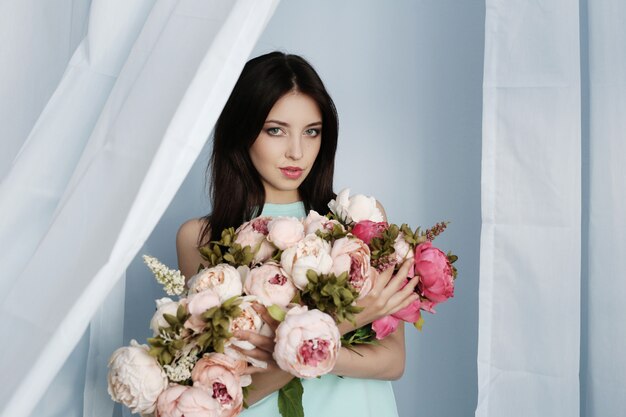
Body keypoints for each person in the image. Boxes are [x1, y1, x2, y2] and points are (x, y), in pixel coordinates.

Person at [176, 51, 419, 416]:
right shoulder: (201, 238)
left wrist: (286, 351)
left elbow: (391, 361)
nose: (297, 151)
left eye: (312, 132)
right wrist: (344, 324)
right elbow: (221, 400)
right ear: (243, 131)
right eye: (275, 130)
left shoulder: (360, 220)